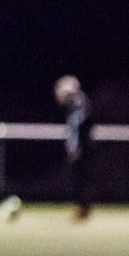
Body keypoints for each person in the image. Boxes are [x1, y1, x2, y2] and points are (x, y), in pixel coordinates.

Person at [54, 75, 95, 221]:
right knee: (82, 177)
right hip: (85, 144)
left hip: (81, 146)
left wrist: (74, 147)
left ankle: (83, 209)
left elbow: (75, 128)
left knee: (80, 177)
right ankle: (84, 208)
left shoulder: (76, 105)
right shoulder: (82, 101)